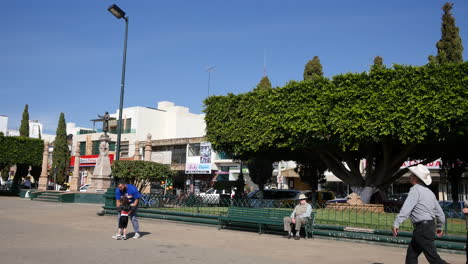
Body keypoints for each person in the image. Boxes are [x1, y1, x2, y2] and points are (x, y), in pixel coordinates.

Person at [392, 164, 447, 264]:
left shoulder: (415, 190)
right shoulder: (430, 193)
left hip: (422, 229)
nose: (409, 176)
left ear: (416, 178)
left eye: (412, 175)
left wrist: (396, 223)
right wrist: (440, 226)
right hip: (428, 227)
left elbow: (406, 209)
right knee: (411, 255)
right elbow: (440, 214)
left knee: (434, 258)